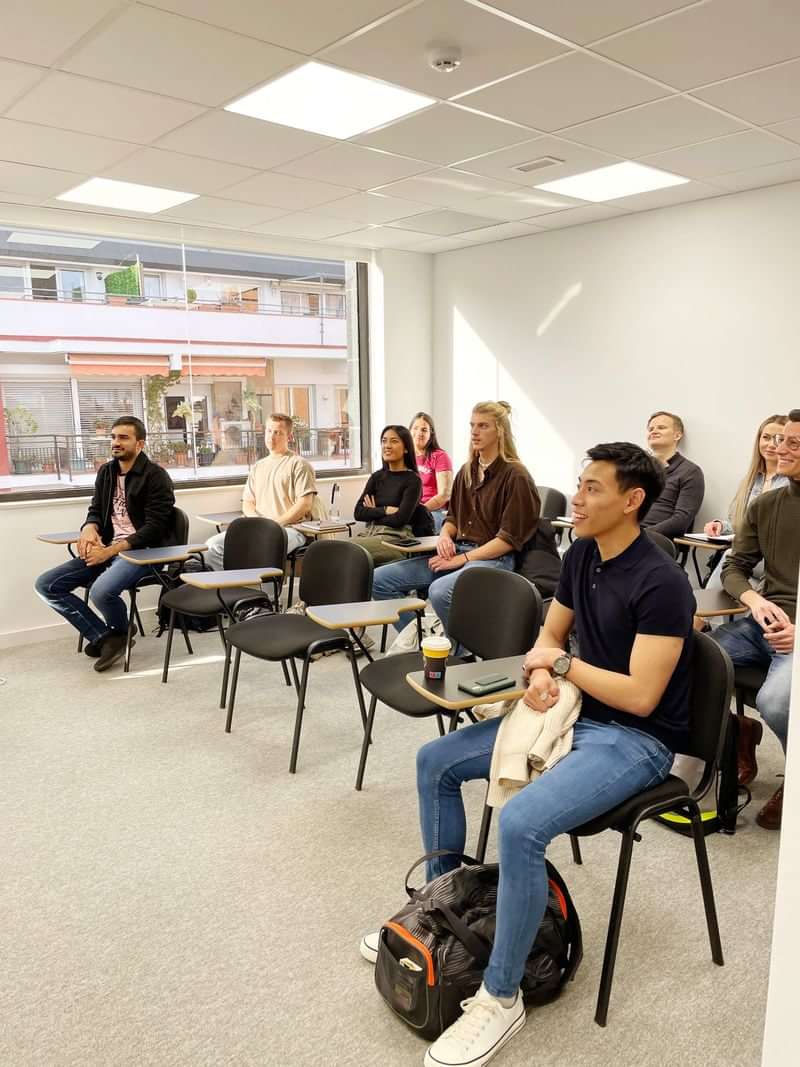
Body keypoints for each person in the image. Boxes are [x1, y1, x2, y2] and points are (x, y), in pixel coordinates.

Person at [361, 442, 695, 1067]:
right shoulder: (584, 555)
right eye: (580, 483)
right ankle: (442, 916)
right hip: (572, 710)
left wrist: (561, 664)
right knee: (435, 762)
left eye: (593, 488)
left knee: (520, 824)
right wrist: (543, 672)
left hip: (636, 740)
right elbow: (550, 634)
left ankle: (500, 994)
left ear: (632, 501)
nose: (579, 496)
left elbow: (643, 697)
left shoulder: (662, 582)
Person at [371, 401, 539, 639]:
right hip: (459, 551)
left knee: (440, 591)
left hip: (494, 559)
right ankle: (425, 643)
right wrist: (444, 535)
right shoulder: (467, 471)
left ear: (500, 430)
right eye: (472, 425)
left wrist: (462, 558)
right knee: (379, 580)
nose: (474, 432)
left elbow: (508, 540)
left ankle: (460, 653)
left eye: (483, 426)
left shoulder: (516, 476)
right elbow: (453, 518)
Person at [714, 410, 800, 830]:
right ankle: (738, 734)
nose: (779, 450)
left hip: (795, 631)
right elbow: (735, 566)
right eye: (780, 440)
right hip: (763, 621)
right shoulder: (766, 505)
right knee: (688, 658)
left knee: (775, 700)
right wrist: (753, 600)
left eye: (793, 444)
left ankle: (796, 778)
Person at [34, 416, 175, 672]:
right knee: (46, 585)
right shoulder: (107, 472)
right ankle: (107, 637)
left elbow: (155, 529)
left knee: (100, 591)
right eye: (113, 437)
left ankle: (116, 634)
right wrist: (89, 527)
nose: (115, 442)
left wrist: (109, 551)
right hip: (108, 549)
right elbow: (97, 509)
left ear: (139, 443)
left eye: (123, 437)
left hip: (143, 553)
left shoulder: (156, 476)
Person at [205, 413, 320, 569]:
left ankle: (265, 593)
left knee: (263, 547)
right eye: (269, 431)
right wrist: (257, 524)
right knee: (211, 546)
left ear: (289, 436)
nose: (271, 436)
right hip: (259, 528)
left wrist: (274, 525)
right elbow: (248, 503)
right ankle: (229, 588)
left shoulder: (299, 464)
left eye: (278, 432)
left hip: (291, 529)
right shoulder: (258, 466)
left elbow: (304, 504)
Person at [701, 414, 788, 589]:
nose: (771, 444)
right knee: (730, 568)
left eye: (779, 439)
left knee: (729, 560)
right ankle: (705, 615)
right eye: (766, 437)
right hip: (747, 558)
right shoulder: (750, 480)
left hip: (774, 562)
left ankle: (704, 616)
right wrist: (721, 526)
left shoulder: (790, 482)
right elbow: (742, 523)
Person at [351, 425, 423, 567]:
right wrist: (384, 510)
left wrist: (372, 512)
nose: (387, 446)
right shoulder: (377, 477)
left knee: (347, 550)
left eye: (394, 441)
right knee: (333, 549)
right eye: (384, 441)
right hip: (369, 534)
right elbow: (358, 513)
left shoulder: (413, 480)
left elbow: (400, 520)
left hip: (395, 539)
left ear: (406, 448)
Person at [642, 410, 705, 538]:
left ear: (677, 435)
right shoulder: (639, 469)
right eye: (651, 429)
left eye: (661, 427)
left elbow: (681, 521)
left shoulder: (690, 472)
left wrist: (639, 536)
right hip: (626, 535)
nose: (653, 431)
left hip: (657, 540)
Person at [410, 412, 453, 533]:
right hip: (409, 508)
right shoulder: (405, 457)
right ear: (409, 431)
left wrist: (420, 510)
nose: (419, 433)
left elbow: (445, 494)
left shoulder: (440, 456)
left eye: (424, 430)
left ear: (431, 434)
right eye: (415, 428)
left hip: (434, 510)